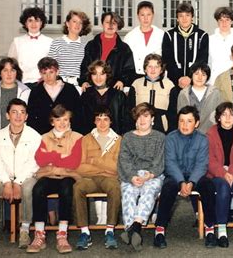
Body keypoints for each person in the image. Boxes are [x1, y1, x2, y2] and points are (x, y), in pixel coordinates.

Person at [0, 99, 42, 250]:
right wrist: (7, 182)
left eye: (22, 112)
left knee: (27, 190)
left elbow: (33, 163)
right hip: (4, 178)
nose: (18, 116)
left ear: (26, 116)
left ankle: (24, 230)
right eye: (14, 112)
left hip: (27, 177)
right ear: (7, 115)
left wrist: (18, 182)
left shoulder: (34, 136)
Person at [153, 106, 217, 249]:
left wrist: (192, 182)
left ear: (197, 123)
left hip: (196, 175)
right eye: (181, 121)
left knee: (208, 187)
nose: (185, 125)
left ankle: (210, 229)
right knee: (168, 188)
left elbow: (202, 164)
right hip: (176, 175)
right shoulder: (170, 138)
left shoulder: (202, 139)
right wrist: (182, 182)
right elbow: (170, 163)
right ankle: (159, 230)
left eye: (189, 121)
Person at [27, 105, 83, 254]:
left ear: (70, 120)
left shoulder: (78, 137)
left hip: (68, 176)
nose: (62, 123)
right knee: (38, 189)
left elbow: (74, 162)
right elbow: (40, 159)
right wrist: (61, 157)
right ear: (52, 122)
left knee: (66, 189)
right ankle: (39, 234)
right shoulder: (43, 138)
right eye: (58, 119)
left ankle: (62, 234)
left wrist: (51, 157)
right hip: (48, 175)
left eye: (65, 119)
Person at [118, 103, 165, 251]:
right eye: (139, 116)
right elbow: (124, 161)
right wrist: (132, 177)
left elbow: (160, 161)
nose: (142, 120)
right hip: (131, 174)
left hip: (152, 174)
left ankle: (135, 227)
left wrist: (148, 176)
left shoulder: (159, 137)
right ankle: (132, 231)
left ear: (152, 119)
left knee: (149, 190)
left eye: (146, 116)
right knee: (128, 192)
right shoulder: (127, 137)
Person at [73, 107, 122, 251]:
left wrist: (95, 161)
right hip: (90, 178)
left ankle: (110, 230)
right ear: (94, 121)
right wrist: (103, 167)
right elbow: (79, 166)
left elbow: (118, 167)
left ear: (111, 121)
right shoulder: (85, 139)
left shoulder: (119, 140)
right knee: (78, 187)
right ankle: (84, 232)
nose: (102, 123)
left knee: (114, 188)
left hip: (110, 179)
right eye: (98, 119)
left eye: (105, 119)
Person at [206, 102, 233, 248]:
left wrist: (232, 172)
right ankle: (222, 231)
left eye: (231, 115)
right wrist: (223, 173)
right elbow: (209, 159)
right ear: (218, 117)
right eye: (224, 114)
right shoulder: (210, 134)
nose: (227, 118)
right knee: (223, 188)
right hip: (216, 174)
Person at [80, 11, 135, 91]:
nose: (110, 25)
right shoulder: (91, 45)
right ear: (102, 24)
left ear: (117, 26)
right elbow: (85, 66)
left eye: (114, 23)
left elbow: (129, 70)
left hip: (114, 89)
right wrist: (84, 81)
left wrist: (122, 81)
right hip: (93, 88)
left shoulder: (124, 48)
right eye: (107, 22)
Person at [27, 57, 82, 135]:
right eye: (44, 73)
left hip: (67, 134)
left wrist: (74, 134)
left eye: (51, 72)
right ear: (40, 74)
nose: (48, 76)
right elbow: (31, 117)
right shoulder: (36, 91)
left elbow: (78, 114)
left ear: (57, 72)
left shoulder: (70, 89)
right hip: (42, 135)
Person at [161, 2, 209, 89]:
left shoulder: (202, 36)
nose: (184, 18)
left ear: (192, 18)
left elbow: (203, 60)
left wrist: (190, 78)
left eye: (187, 15)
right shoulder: (169, 35)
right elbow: (167, 60)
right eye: (181, 16)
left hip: (195, 83)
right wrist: (179, 79)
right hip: (174, 83)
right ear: (177, 19)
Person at [128, 54, 179, 133]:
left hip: (161, 128)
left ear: (161, 70)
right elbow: (130, 109)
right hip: (140, 126)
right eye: (150, 66)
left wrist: (171, 131)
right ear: (145, 69)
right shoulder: (136, 84)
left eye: (156, 67)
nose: (153, 70)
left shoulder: (169, 85)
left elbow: (173, 112)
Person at [80, 60, 130, 135]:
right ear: (90, 76)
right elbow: (81, 121)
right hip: (91, 139)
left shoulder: (118, 95)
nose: (98, 78)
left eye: (102, 74)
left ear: (107, 75)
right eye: (95, 74)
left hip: (114, 139)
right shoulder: (86, 95)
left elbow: (125, 121)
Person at [8, 7, 53, 87]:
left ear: (41, 23)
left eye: (37, 20)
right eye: (30, 20)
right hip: (21, 84)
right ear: (25, 23)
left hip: (44, 84)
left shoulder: (50, 42)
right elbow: (10, 65)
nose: (33, 24)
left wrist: (46, 77)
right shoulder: (17, 42)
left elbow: (53, 66)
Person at [48, 10, 92, 89]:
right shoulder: (56, 43)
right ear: (67, 24)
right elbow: (51, 67)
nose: (77, 25)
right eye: (74, 21)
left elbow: (89, 68)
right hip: (60, 85)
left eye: (80, 23)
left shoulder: (87, 45)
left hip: (81, 86)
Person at [124, 1, 165, 77]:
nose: (145, 18)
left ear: (153, 15)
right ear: (138, 16)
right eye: (142, 15)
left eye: (148, 15)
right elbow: (125, 62)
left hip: (157, 78)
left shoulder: (162, 35)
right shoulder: (129, 37)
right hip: (134, 77)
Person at [177, 62, 221, 134]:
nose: (200, 78)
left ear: (207, 77)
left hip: (210, 135)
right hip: (188, 135)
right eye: (196, 74)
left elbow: (219, 116)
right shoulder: (183, 94)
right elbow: (180, 118)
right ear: (191, 75)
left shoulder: (215, 93)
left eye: (203, 75)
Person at [208, 6, 233, 84]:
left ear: (232, 21)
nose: (224, 23)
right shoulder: (209, 39)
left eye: (227, 20)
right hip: (214, 81)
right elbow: (207, 63)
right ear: (217, 21)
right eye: (221, 20)